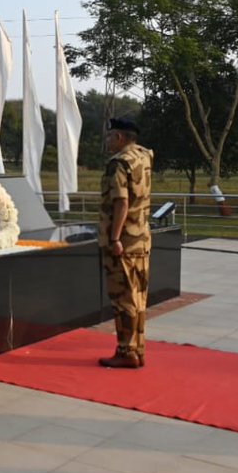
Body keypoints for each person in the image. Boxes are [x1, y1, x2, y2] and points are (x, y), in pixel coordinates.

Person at [98, 116, 153, 369]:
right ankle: (138, 348)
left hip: (124, 241)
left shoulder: (118, 163)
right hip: (141, 238)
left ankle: (126, 351)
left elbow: (121, 202)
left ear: (119, 137)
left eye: (110, 136)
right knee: (138, 297)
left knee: (123, 299)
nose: (107, 141)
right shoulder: (144, 156)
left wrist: (115, 237)